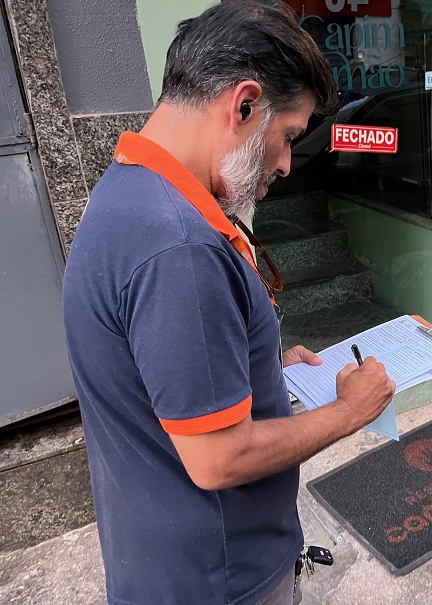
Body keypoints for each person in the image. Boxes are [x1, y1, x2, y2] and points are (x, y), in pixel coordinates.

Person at [61, 3, 396, 604]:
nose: (287, 164)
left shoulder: (130, 190)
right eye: (288, 136)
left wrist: (254, 364)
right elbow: (218, 460)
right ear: (243, 105)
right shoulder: (179, 247)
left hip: (165, 562)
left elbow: (158, 374)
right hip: (221, 579)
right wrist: (351, 411)